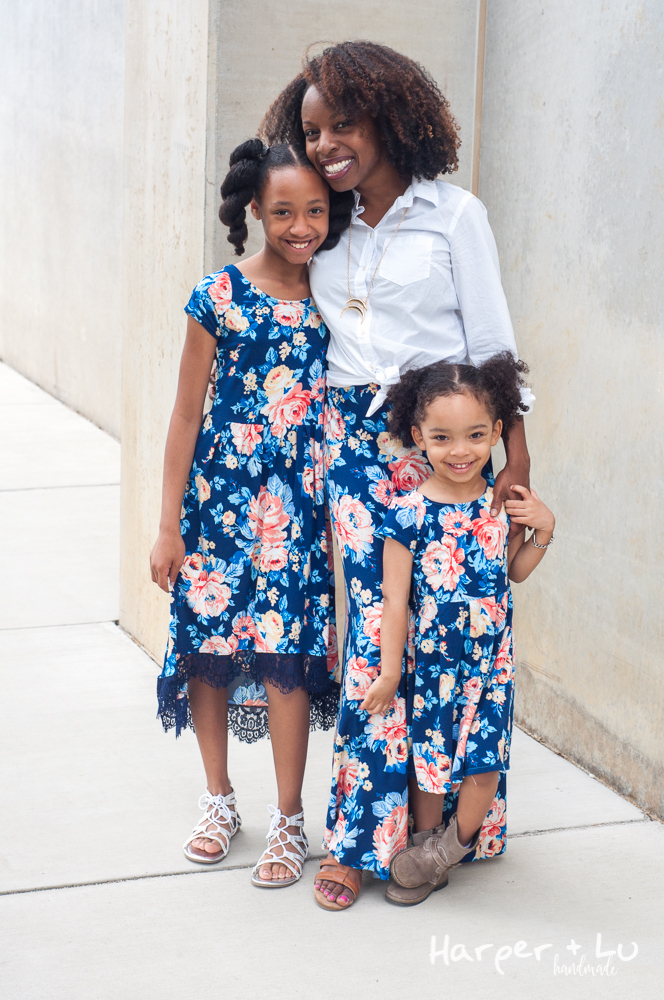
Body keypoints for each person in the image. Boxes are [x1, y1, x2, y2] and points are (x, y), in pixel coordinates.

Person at [261, 40, 536, 908]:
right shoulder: (323, 223)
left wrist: (516, 452)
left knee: (451, 636)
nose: (326, 145)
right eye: (313, 131)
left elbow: (492, 344)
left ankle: (448, 830)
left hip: (442, 449)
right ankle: (359, 840)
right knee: (378, 635)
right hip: (352, 447)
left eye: (343, 124)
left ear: (390, 119)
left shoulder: (454, 217)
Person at [149, 139, 352, 887]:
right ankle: (219, 799)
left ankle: (290, 818)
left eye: (315, 211)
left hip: (296, 513)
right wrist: (167, 524)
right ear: (256, 211)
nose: (301, 226)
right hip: (217, 504)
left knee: (283, 654)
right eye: (284, 211)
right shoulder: (218, 295)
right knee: (209, 647)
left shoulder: (335, 293)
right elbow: (184, 414)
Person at [373, 355, 554, 905]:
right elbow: (394, 602)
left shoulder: (501, 505)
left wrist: (544, 531)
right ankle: (426, 845)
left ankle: (443, 854)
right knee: (431, 762)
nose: (461, 451)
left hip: (490, 663)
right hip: (434, 665)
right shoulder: (408, 513)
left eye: (476, 436)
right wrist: (389, 672)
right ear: (418, 437)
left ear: (497, 433)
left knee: (484, 761)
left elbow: (513, 571)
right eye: (442, 437)